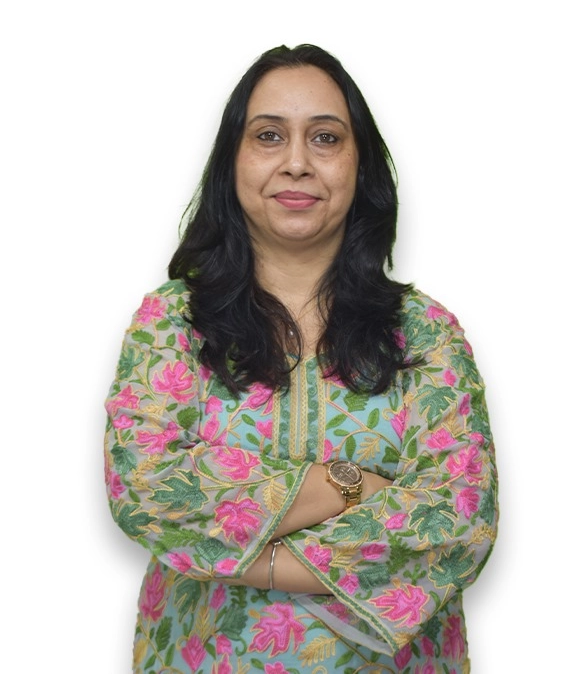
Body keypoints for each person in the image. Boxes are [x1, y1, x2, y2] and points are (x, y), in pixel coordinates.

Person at [104, 43, 498, 673]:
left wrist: (249, 558)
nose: (296, 163)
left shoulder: (424, 334)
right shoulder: (173, 323)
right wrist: (347, 486)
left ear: (360, 165)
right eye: (268, 136)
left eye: (325, 138)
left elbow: (458, 519)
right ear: (232, 162)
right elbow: (148, 488)